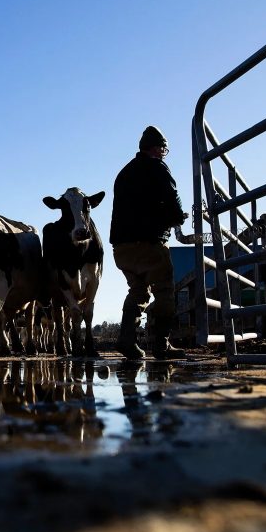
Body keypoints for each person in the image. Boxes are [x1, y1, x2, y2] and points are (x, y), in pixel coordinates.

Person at [109, 125, 187, 360]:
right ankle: (162, 345)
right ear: (156, 148)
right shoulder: (157, 167)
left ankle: (127, 341)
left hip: (122, 248)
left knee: (138, 290)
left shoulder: (124, 172)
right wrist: (177, 217)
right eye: (163, 149)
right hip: (149, 243)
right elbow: (171, 196)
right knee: (164, 290)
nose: (164, 153)